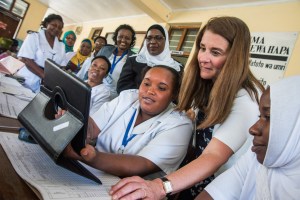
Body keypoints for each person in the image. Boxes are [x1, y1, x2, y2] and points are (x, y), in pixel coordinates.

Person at [109, 16, 265, 200]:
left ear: (234, 57)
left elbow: (214, 155)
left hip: (222, 188)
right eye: (203, 48)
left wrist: (161, 186)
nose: (203, 58)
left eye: (215, 52)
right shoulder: (209, 83)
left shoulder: (246, 99)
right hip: (195, 177)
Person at [60, 65, 193, 178]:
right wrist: (74, 124)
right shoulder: (127, 97)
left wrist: (92, 157)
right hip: (92, 172)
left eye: (161, 88)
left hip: (132, 190)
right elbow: (92, 127)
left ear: (174, 94)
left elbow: (142, 164)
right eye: (146, 83)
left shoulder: (180, 124)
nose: (150, 91)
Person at [196, 76, 300, 200]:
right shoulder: (256, 157)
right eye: (259, 116)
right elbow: (218, 192)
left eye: (268, 116)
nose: (253, 129)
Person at [117, 24, 181, 94]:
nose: (152, 42)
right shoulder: (134, 61)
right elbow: (122, 87)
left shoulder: (176, 67)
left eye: (158, 38)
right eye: (149, 38)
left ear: (166, 41)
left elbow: (176, 94)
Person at [16, 14, 65, 92]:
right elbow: (26, 59)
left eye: (59, 28)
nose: (56, 29)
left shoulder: (61, 45)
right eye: (54, 25)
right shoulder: (34, 36)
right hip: (27, 79)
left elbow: (62, 66)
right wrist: (45, 76)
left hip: (46, 85)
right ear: (46, 24)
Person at [96, 24, 136, 99]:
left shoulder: (134, 59)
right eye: (120, 37)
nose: (123, 40)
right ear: (116, 37)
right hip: (96, 89)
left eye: (127, 38)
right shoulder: (105, 50)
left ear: (131, 41)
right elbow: (92, 67)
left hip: (113, 97)